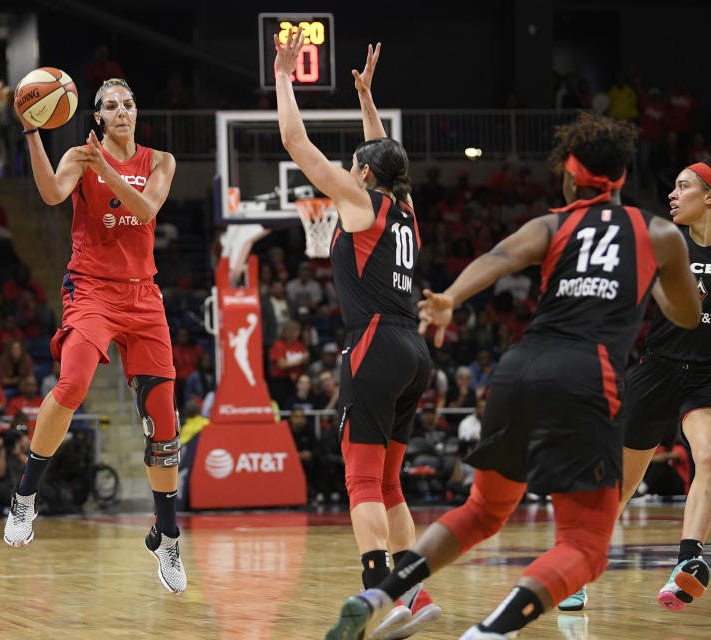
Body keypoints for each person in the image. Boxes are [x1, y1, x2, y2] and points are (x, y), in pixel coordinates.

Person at [326, 112, 700, 640]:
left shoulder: (551, 223)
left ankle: (381, 592)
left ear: (570, 178)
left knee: (481, 511)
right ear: (622, 175)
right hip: (585, 381)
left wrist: (450, 298)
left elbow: (498, 257)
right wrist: (654, 279)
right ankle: (492, 630)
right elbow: (685, 315)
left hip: (519, 371)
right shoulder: (658, 234)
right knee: (586, 546)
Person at [276, 37, 440, 637]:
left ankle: (378, 595)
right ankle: (415, 595)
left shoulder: (360, 199)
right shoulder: (405, 211)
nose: (347, 172)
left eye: (355, 166)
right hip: (414, 349)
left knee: (362, 481)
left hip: (373, 343)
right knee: (390, 480)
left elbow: (296, 144)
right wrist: (367, 99)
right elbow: (386, 158)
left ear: (364, 175)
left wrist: (284, 79)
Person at [4, 76, 186, 594]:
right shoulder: (80, 159)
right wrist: (32, 133)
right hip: (92, 291)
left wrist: (107, 168)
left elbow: (148, 209)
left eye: (129, 102)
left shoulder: (161, 161)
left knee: (165, 428)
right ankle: (25, 497)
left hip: (145, 299)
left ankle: (167, 535)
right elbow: (50, 192)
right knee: (74, 382)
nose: (122, 110)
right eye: (111, 105)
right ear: (98, 117)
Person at [560, 159, 711, 613]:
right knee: (621, 487)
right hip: (657, 371)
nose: (672, 194)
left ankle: (689, 562)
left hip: (705, 379)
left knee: (707, 456)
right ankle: (579, 571)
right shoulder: (667, 243)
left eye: (683, 186)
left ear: (708, 197)